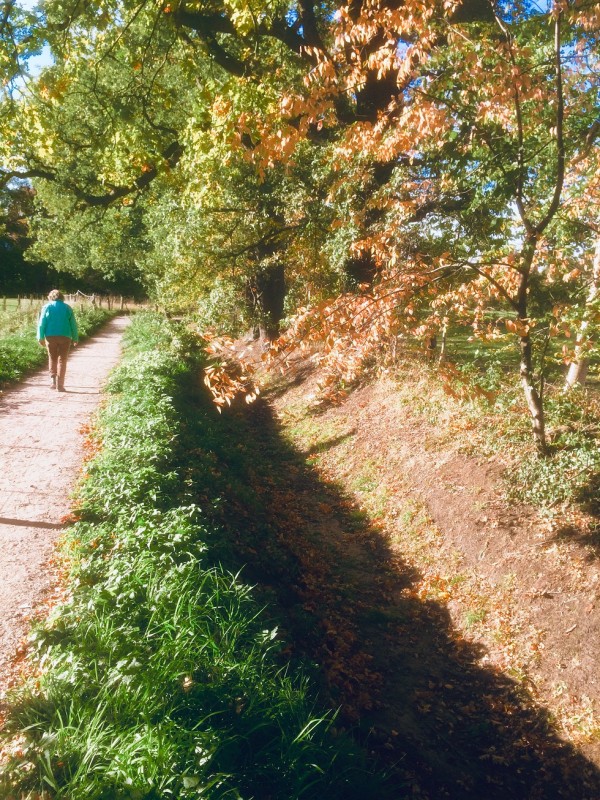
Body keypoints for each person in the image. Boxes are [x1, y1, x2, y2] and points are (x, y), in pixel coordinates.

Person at [37, 289, 79, 391]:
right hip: (65, 336)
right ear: (62, 297)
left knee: (52, 358)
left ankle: (53, 382)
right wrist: (75, 338)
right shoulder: (67, 308)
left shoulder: (47, 307)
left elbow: (42, 323)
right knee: (62, 360)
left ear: (50, 297)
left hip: (50, 336)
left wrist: (40, 337)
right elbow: (73, 324)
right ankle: (60, 385)